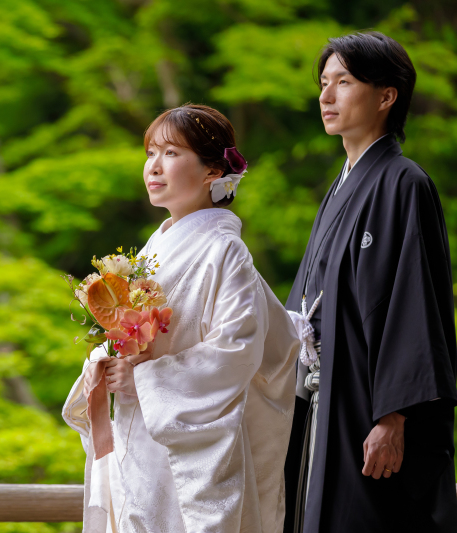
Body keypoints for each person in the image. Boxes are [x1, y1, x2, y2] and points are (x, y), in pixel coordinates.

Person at [63, 104, 301, 533]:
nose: (154, 167)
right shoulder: (157, 245)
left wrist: (147, 380)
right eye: (151, 153)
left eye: (171, 154)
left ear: (213, 171)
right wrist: (106, 358)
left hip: (192, 443)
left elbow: (238, 349)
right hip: (146, 433)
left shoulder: (225, 251)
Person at [282, 32, 457, 533]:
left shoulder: (405, 183)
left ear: (386, 96)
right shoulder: (339, 186)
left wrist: (394, 416)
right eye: (323, 83)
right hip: (324, 400)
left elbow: (413, 304)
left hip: (369, 409)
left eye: (344, 81)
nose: (326, 96)